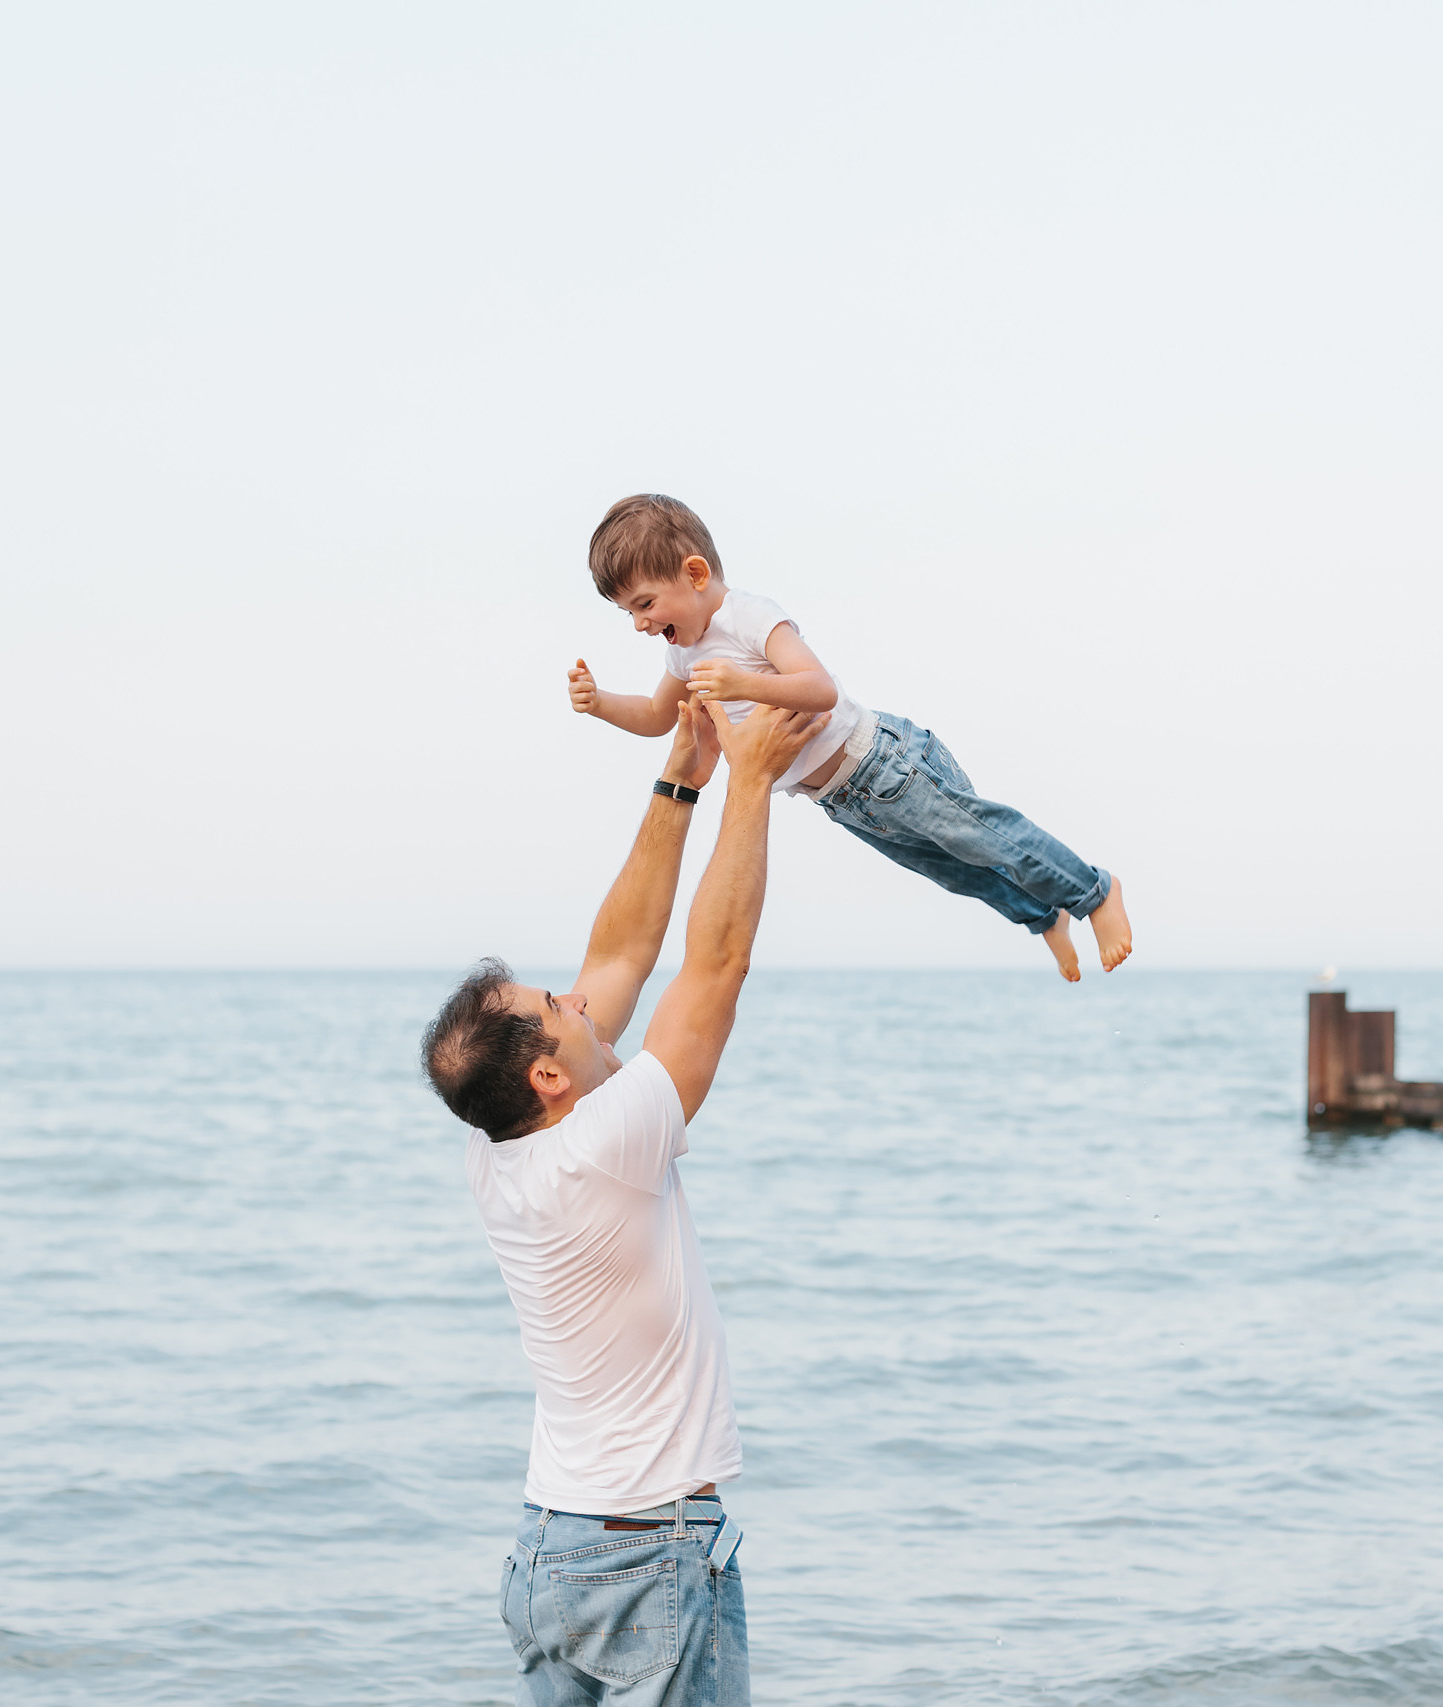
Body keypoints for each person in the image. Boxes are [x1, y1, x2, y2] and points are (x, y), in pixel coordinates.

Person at [421, 691, 820, 1707]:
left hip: (549, 1552)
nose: (576, 997)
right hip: (650, 1555)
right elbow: (713, 966)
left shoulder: (499, 1149)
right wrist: (753, 780)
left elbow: (622, 956)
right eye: (554, 1010)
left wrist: (680, 776)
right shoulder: (609, 1143)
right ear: (549, 1078)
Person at [563, 492, 1134, 983]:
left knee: (987, 838)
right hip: (842, 800)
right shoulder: (680, 651)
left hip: (882, 763)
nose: (639, 622)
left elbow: (819, 689)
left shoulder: (749, 617)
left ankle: (1093, 893)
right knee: (956, 871)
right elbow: (658, 717)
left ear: (694, 574)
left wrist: (742, 682)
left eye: (644, 603)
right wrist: (600, 704)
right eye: (626, 612)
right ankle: (1043, 917)